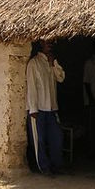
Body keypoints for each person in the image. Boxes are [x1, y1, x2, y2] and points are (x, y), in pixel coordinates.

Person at [26, 40, 65, 175]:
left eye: (51, 42)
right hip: (39, 109)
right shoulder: (34, 63)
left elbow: (61, 78)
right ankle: (44, 167)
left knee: (57, 138)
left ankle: (56, 165)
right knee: (39, 141)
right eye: (46, 42)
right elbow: (31, 87)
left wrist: (53, 63)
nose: (50, 44)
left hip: (52, 108)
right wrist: (33, 109)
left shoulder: (51, 62)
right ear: (40, 44)